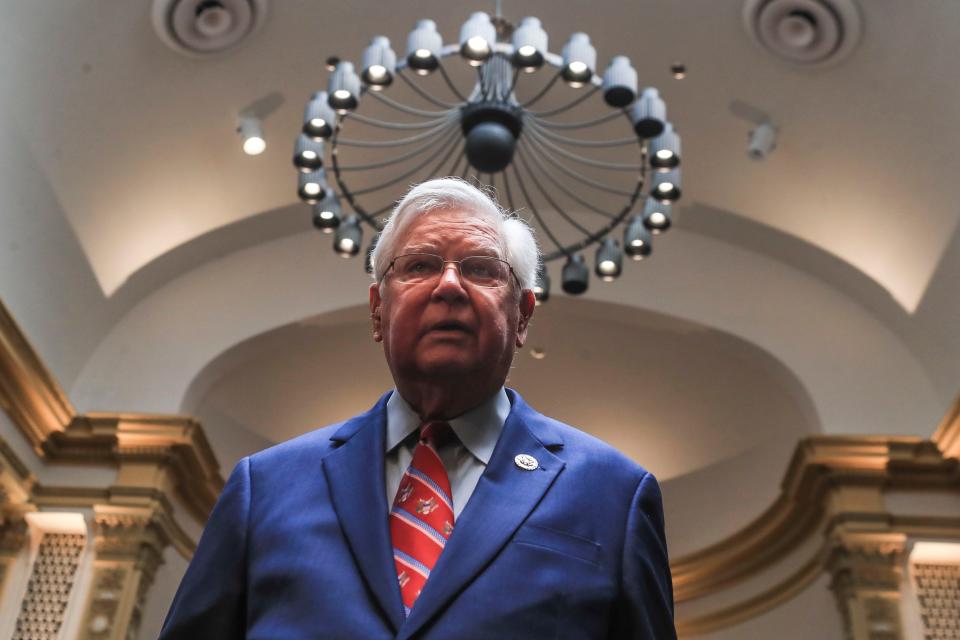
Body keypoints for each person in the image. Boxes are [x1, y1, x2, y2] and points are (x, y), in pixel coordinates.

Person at [159, 178, 675, 639]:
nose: (449, 285)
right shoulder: (264, 487)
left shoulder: (614, 495)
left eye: (480, 268)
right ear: (377, 311)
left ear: (521, 317)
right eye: (420, 266)